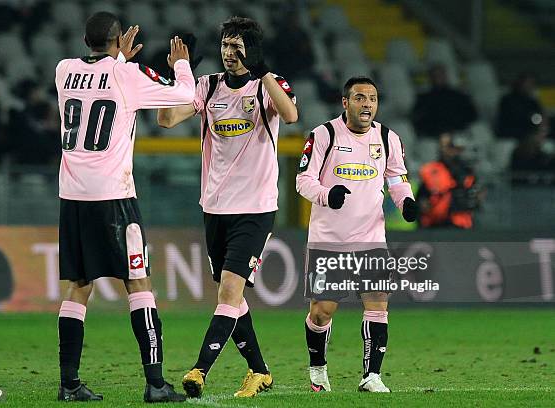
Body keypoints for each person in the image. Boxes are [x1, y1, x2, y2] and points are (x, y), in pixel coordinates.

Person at [54, 11, 195, 403]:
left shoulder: (63, 70)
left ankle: (69, 384)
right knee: (138, 282)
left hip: (73, 196)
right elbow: (184, 94)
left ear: (86, 41)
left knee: (78, 286)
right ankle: (155, 383)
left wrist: (118, 58)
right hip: (114, 196)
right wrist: (181, 62)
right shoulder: (128, 76)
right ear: (119, 41)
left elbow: (97, 79)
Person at [157, 16, 298, 399]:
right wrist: (177, 74)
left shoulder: (267, 86)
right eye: (225, 46)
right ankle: (259, 371)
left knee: (229, 291)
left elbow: (290, 115)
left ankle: (199, 369)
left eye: (237, 48)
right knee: (232, 297)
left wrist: (263, 70)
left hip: (255, 208)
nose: (229, 54)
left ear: (251, 51)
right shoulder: (209, 86)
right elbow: (167, 119)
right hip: (215, 206)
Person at [296, 76, 417, 393]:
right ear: (345, 102)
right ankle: (318, 370)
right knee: (322, 313)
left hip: (371, 237)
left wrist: (406, 203)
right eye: (360, 97)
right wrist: (326, 195)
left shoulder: (389, 138)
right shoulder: (324, 134)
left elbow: (397, 179)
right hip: (329, 240)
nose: (367, 104)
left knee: (378, 304)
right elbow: (303, 180)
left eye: (373, 99)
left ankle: (371, 376)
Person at [416, 133, 482, 228]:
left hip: (461, 225)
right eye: (442, 146)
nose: (445, 150)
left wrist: (474, 199)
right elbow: (421, 198)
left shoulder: (467, 172)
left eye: (449, 146)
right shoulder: (430, 170)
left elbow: (476, 198)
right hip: (434, 225)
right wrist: (424, 205)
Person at [412, 64, 477, 138]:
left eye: (440, 75)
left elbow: (471, 115)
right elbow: (419, 120)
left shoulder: (459, 96)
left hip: (458, 133)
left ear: (445, 76)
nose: (438, 78)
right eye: (435, 75)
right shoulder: (423, 99)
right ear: (430, 77)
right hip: (434, 136)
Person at [497, 73, 544, 140]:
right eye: (527, 83)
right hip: (511, 133)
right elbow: (515, 118)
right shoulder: (508, 100)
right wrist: (531, 117)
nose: (529, 86)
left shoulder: (532, 101)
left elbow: (539, 116)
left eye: (532, 84)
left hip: (529, 132)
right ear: (520, 83)